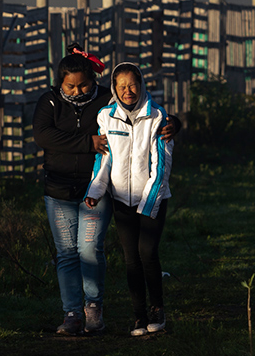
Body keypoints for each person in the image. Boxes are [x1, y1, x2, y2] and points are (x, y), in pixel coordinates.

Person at [33, 44, 179, 336]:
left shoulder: (103, 101)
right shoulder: (50, 103)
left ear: (96, 82)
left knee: (91, 249)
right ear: (59, 83)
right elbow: (43, 136)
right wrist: (88, 143)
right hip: (60, 189)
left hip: (97, 191)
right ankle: (72, 313)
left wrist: (176, 123)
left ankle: (94, 309)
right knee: (67, 253)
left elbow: (145, 120)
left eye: (83, 84)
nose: (76, 91)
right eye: (70, 86)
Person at [85, 62, 174, 337]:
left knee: (147, 253)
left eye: (132, 84)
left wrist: (148, 204)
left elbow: (162, 165)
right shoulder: (105, 116)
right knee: (130, 259)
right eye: (121, 86)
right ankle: (138, 317)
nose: (127, 91)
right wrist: (95, 190)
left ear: (141, 84)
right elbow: (103, 158)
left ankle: (157, 310)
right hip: (121, 200)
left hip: (153, 200)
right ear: (114, 87)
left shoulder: (158, 116)